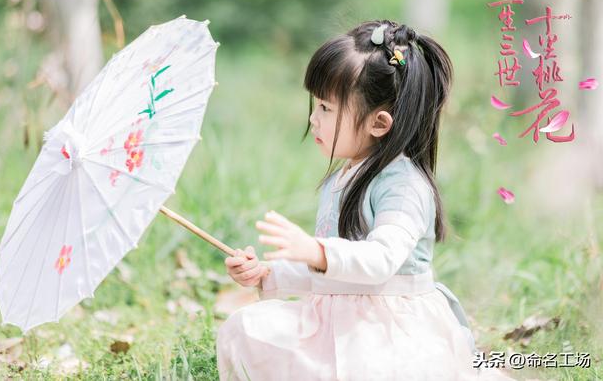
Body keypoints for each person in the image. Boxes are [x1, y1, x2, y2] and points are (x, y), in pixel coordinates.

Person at [216, 20, 515, 380]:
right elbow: (335, 276)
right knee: (244, 327)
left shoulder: (403, 186)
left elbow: (380, 261)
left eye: (327, 108)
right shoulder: (344, 177)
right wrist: (267, 274)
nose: (313, 119)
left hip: (390, 329)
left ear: (378, 123)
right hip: (338, 318)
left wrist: (317, 252)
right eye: (316, 105)